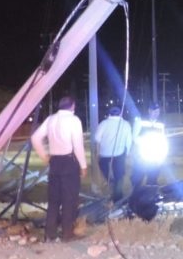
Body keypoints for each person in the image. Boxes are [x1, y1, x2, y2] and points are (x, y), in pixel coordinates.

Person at [31, 95, 88, 242]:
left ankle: (49, 233)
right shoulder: (74, 120)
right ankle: (66, 233)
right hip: (69, 162)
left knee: (54, 199)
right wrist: (83, 165)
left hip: (55, 162)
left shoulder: (51, 119)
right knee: (69, 199)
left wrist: (45, 156)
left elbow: (35, 138)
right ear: (72, 106)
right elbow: (78, 145)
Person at [94, 105, 132, 202]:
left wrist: (98, 153)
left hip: (104, 155)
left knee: (107, 173)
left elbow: (97, 140)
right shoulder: (125, 124)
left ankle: (111, 184)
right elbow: (129, 141)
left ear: (109, 114)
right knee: (119, 176)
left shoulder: (103, 124)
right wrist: (127, 154)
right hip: (119, 155)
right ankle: (118, 197)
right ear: (120, 114)